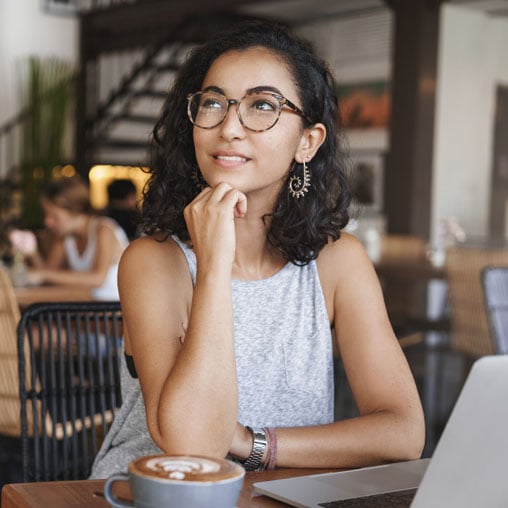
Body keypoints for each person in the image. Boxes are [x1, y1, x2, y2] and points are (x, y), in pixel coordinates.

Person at [90, 20, 424, 477]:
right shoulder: (153, 260)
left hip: (284, 495)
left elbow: (403, 432)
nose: (229, 127)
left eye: (262, 105)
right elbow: (196, 446)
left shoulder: (338, 261)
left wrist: (253, 443)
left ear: (307, 141)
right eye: (213, 103)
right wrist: (212, 267)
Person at [23, 176, 128, 300]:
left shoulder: (104, 229)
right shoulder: (65, 236)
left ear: (76, 210)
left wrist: (43, 274)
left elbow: (98, 279)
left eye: (54, 215)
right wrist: (32, 253)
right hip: (85, 307)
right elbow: (46, 277)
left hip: (113, 311)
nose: (47, 222)